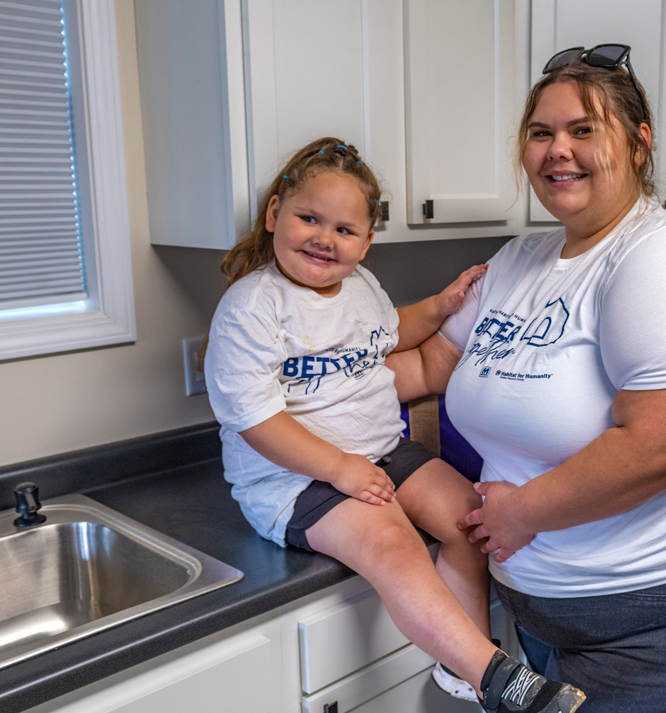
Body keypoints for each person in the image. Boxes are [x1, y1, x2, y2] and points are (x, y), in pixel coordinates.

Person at [387, 45, 666, 712]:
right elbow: (427, 365)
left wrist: (522, 510)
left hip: (660, 622)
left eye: (583, 129)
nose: (556, 150)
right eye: (541, 133)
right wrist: (294, 390)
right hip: (544, 619)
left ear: (638, 142)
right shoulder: (519, 260)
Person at [203, 136, 587, 713]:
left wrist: (439, 306)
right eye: (309, 218)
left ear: (366, 242)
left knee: (469, 519)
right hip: (294, 482)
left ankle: (461, 672)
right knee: (394, 544)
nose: (323, 239)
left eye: (343, 229)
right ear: (273, 214)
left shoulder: (359, 289)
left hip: (381, 452)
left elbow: (387, 333)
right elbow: (256, 422)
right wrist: (341, 469)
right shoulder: (252, 307)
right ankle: (497, 677)